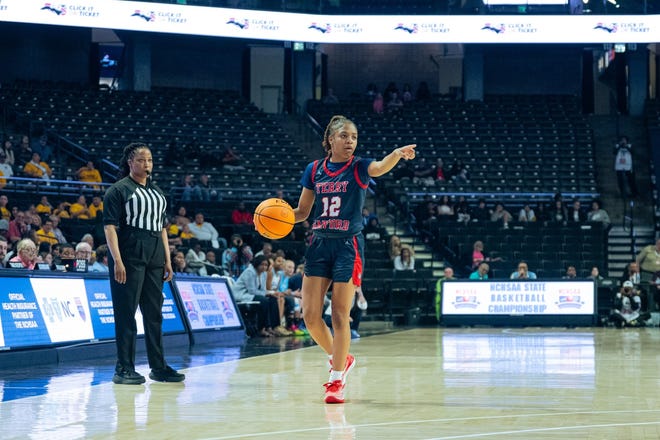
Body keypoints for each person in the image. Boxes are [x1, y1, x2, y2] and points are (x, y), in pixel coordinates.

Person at [292, 114, 416, 404]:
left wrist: (396, 155)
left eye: (354, 137)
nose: (350, 141)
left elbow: (379, 167)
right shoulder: (314, 169)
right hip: (319, 243)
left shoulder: (359, 167)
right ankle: (342, 358)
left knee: (338, 314)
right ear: (331, 139)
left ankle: (336, 380)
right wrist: (276, 220)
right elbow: (301, 212)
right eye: (345, 136)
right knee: (310, 316)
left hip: (348, 245)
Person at [103, 142, 184, 385]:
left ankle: (158, 367)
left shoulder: (158, 193)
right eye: (141, 160)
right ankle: (123, 368)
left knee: (154, 312)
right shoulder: (118, 190)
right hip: (129, 251)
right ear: (130, 162)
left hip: (155, 254)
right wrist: (117, 260)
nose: (146, 164)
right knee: (126, 312)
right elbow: (109, 227)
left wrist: (167, 259)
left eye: (149, 160)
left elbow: (162, 228)